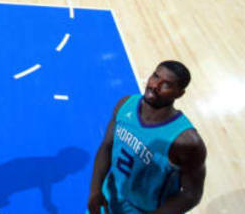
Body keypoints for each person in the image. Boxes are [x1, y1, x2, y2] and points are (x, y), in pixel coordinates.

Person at [87, 61, 207, 214]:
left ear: (179, 93)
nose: (155, 86)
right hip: (109, 197)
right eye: (155, 76)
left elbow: (191, 194)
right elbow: (106, 146)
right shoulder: (125, 105)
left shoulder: (185, 141)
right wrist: (95, 190)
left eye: (166, 84)